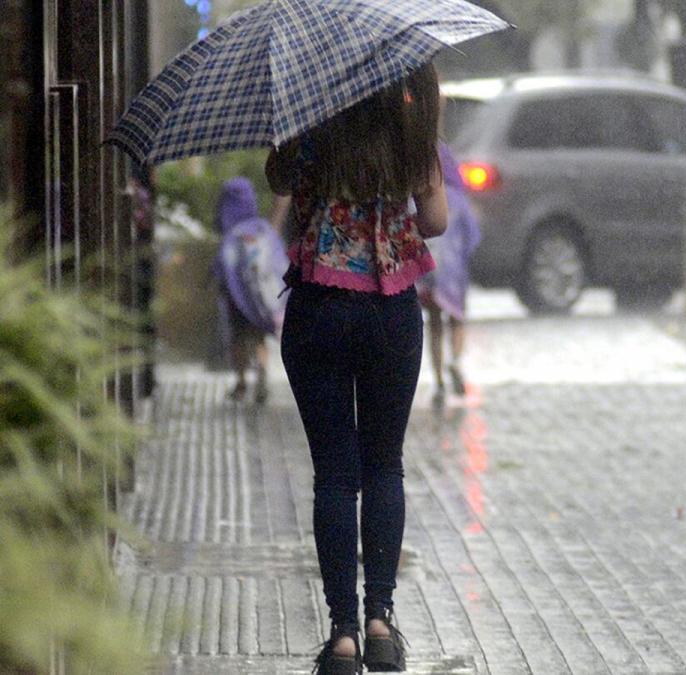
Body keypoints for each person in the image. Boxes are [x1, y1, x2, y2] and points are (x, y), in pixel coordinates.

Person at [266, 63, 447, 675]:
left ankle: (342, 633)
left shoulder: (308, 127)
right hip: (389, 311)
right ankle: (379, 621)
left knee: (335, 475)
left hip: (317, 310)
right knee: (384, 464)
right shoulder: (410, 130)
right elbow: (436, 221)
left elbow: (279, 182)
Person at [416, 143, 482, 407]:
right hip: (454, 276)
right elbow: (472, 238)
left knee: (434, 324)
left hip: (429, 273)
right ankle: (455, 360)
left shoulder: (422, 199)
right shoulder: (460, 202)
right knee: (457, 319)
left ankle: (439, 380)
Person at [213, 177, 288, 404]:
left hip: (235, 300)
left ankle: (241, 383)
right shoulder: (261, 229)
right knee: (259, 337)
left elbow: (222, 268)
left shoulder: (231, 235)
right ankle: (262, 375)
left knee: (237, 339)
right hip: (259, 301)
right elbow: (277, 263)